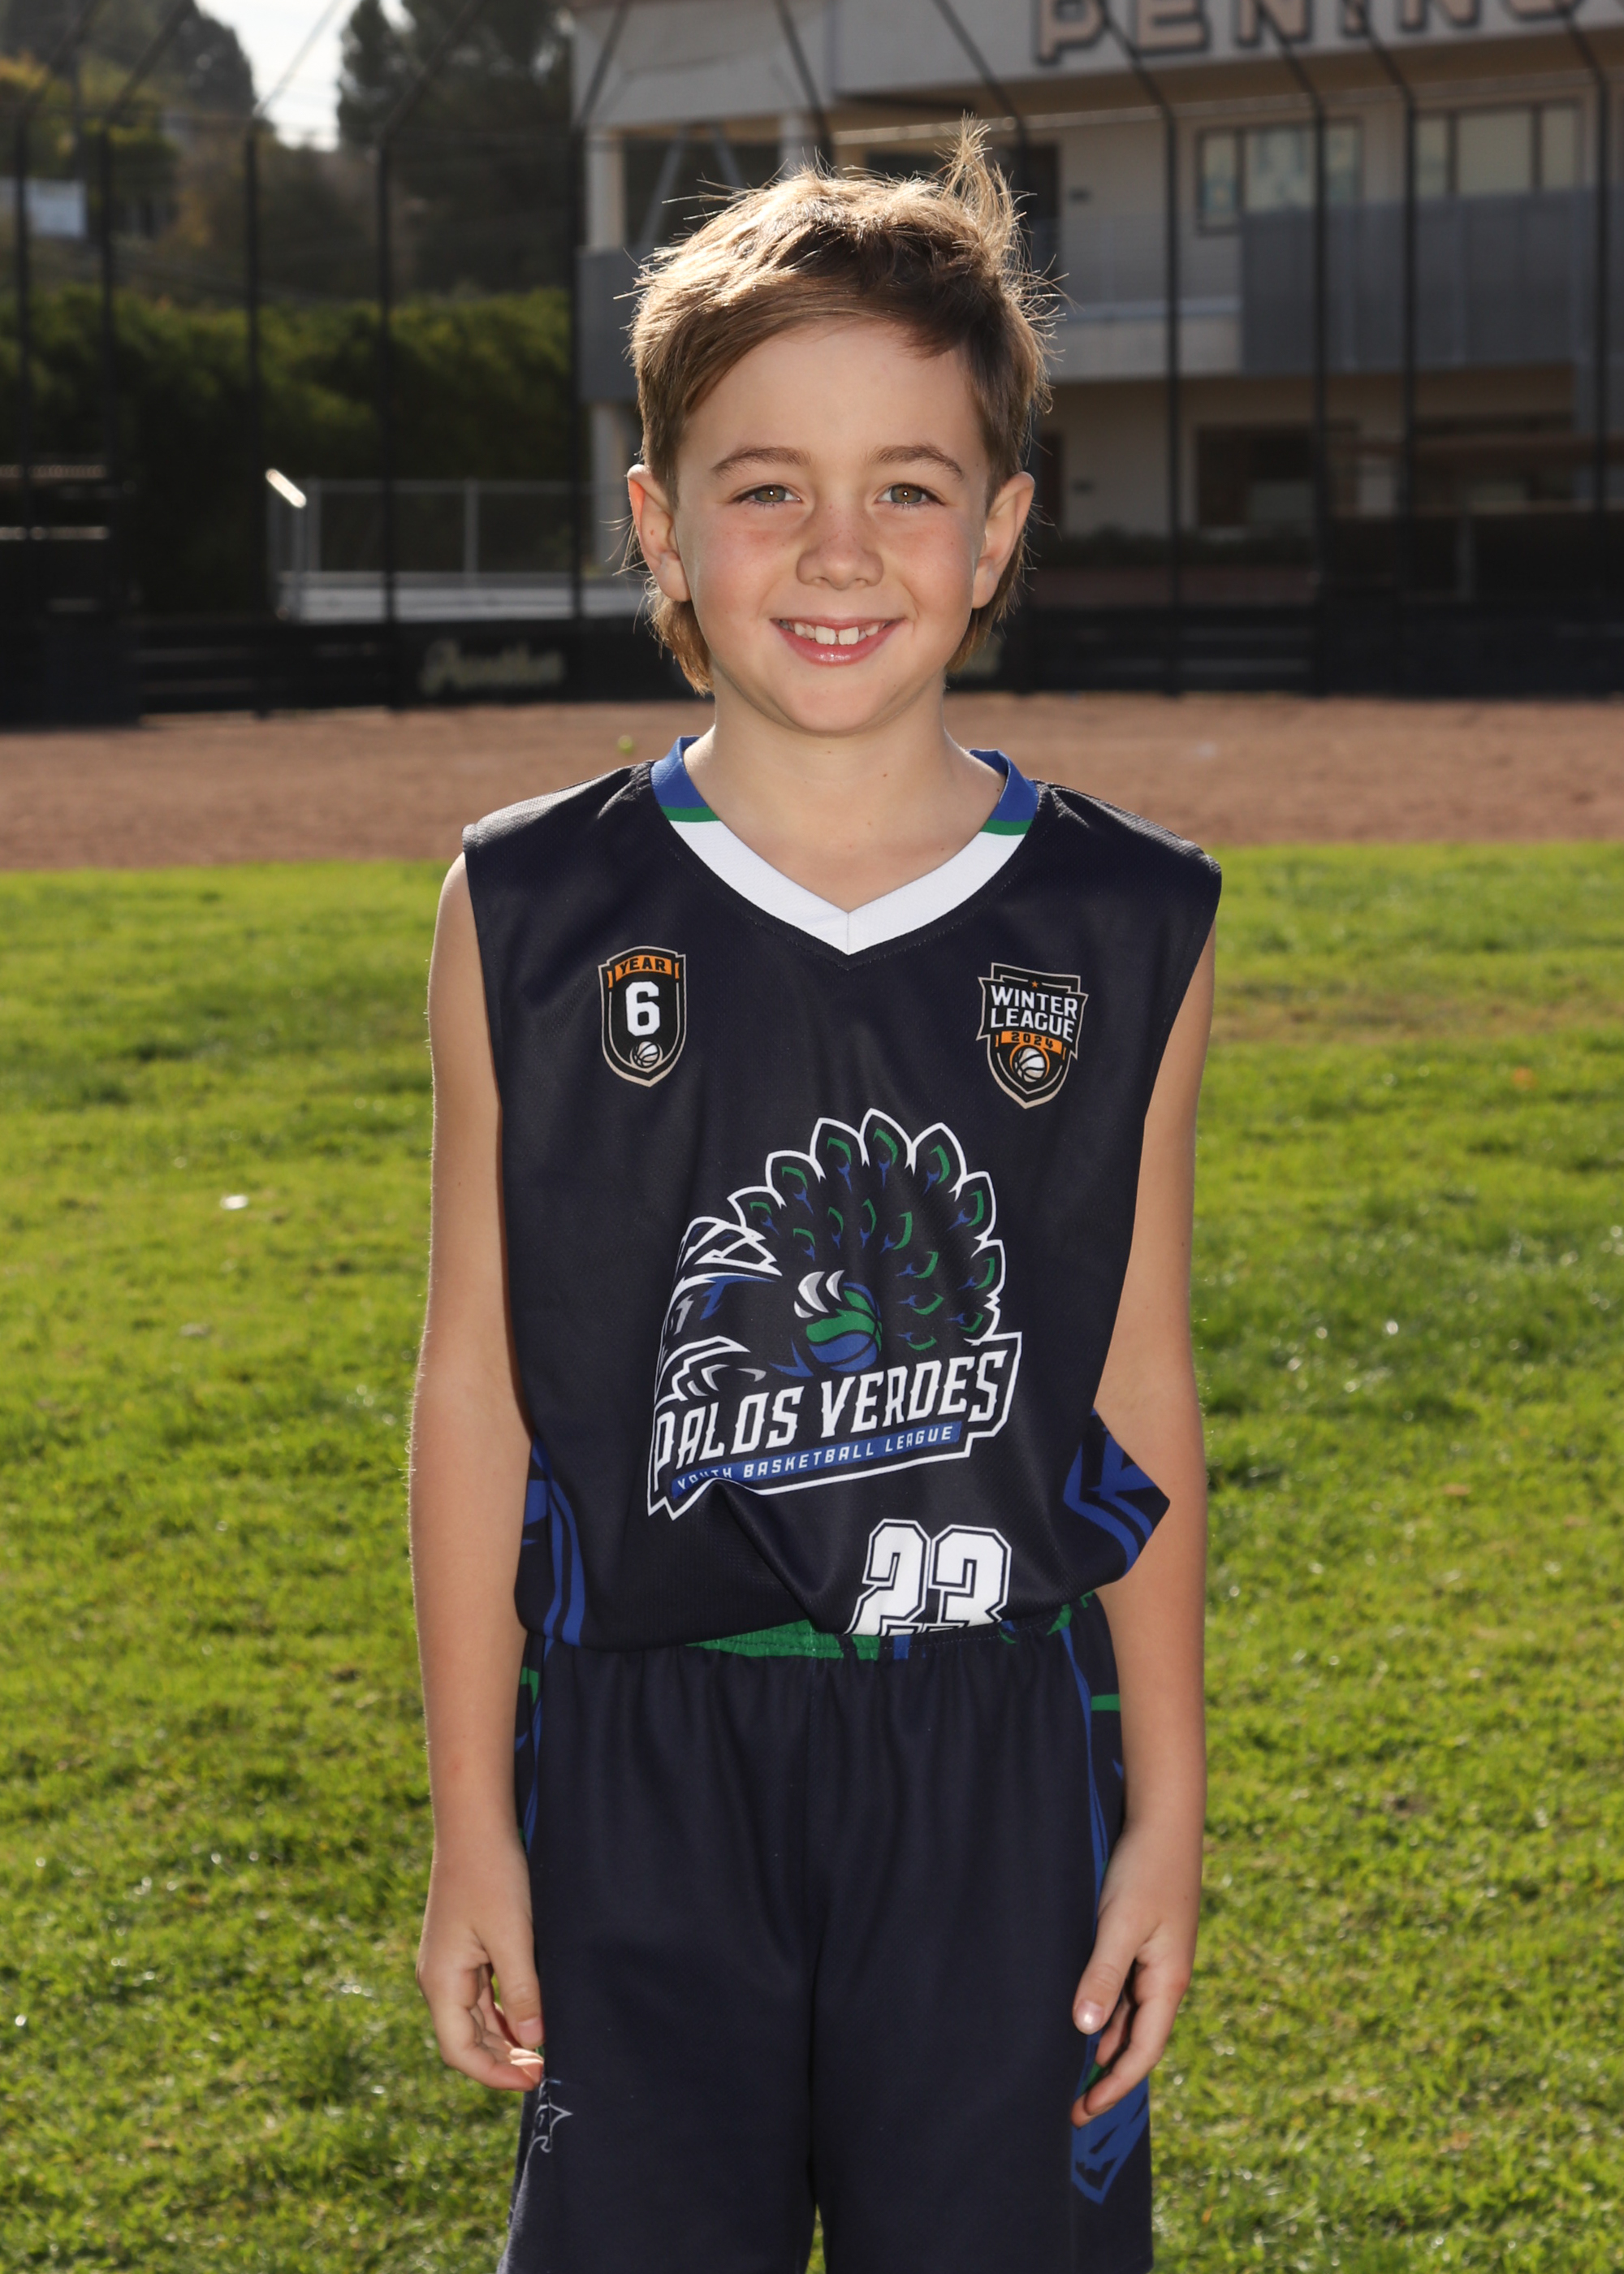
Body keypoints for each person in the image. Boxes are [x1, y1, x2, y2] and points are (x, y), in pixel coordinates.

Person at [411, 131, 1218, 2274]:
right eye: (767, 485)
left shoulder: (1127, 922)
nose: (839, 548)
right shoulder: (527, 908)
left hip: (992, 1752)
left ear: (1001, 528)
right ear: (660, 523)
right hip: (642, 1759)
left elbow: (1139, 1386)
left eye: (910, 487)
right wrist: (474, 1821)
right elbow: (476, 1387)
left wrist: (1168, 1816)